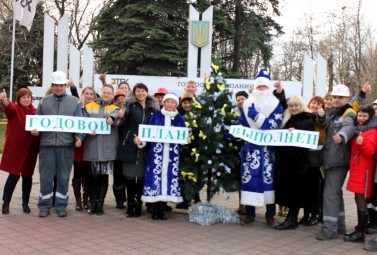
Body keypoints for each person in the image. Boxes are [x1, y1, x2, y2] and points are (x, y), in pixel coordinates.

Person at [31, 70, 84, 218]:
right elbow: (37, 121)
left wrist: (79, 137)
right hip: (47, 146)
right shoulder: (44, 101)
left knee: (63, 177)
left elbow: (80, 124)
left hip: (66, 146)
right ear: (52, 85)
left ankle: (61, 206)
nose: (59, 88)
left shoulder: (74, 102)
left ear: (65, 85)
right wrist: (35, 130)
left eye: (61, 85)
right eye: (56, 85)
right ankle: (44, 206)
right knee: (46, 177)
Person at [238, 68, 284, 226]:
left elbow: (272, 125)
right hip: (250, 149)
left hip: (267, 150)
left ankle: (270, 214)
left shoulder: (276, 105)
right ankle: (250, 213)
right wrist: (234, 131)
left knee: (268, 180)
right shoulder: (246, 104)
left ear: (269, 88)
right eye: (259, 87)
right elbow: (242, 123)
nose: (262, 90)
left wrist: (256, 116)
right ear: (255, 88)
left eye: (264, 87)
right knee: (250, 179)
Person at [135, 93, 186, 220]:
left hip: (171, 155)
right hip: (156, 154)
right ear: (164, 103)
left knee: (168, 179)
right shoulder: (156, 115)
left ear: (176, 104)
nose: (169, 104)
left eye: (172, 102)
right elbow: (149, 132)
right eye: (167, 102)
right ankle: (155, 209)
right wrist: (141, 141)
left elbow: (182, 135)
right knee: (155, 179)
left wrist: (186, 139)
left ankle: (163, 209)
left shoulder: (180, 119)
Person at [315, 84, 356, 240]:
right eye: (335, 97)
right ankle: (339, 226)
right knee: (335, 193)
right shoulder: (333, 113)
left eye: (340, 97)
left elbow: (349, 127)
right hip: (331, 159)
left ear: (347, 98)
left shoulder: (348, 112)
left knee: (330, 194)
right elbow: (323, 123)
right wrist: (320, 116)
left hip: (337, 160)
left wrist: (343, 136)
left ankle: (329, 229)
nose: (337, 100)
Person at [274, 96, 320, 230]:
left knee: (295, 192)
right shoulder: (289, 120)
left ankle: (291, 219)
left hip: (298, 164)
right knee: (289, 191)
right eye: (291, 106)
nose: (294, 108)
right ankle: (291, 218)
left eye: (296, 106)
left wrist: (297, 132)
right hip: (288, 163)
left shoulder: (307, 119)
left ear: (301, 106)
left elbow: (308, 138)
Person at [117, 83, 160, 217]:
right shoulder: (129, 105)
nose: (140, 93)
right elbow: (123, 115)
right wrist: (121, 114)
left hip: (145, 147)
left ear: (147, 92)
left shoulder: (153, 108)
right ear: (134, 93)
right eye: (138, 91)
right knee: (130, 178)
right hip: (130, 145)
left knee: (141, 178)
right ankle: (130, 206)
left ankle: (139, 206)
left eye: (143, 91)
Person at [0, 88, 39, 214]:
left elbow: (41, 128)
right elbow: (8, 108)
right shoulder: (15, 109)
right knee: (13, 176)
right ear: (19, 99)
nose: (26, 99)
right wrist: (5, 101)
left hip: (30, 149)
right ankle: (6, 204)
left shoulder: (36, 112)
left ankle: (25, 203)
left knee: (28, 177)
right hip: (16, 149)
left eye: (28, 97)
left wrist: (37, 132)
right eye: (24, 97)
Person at [84, 85, 120, 215]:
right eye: (104, 92)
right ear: (100, 93)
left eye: (109, 93)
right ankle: (92, 203)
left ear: (112, 94)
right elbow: (82, 122)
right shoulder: (90, 106)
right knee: (93, 176)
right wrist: (88, 132)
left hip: (107, 148)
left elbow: (119, 119)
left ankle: (100, 204)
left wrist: (113, 119)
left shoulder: (115, 108)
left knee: (103, 176)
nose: (106, 94)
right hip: (92, 147)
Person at [343, 106, 377, 242]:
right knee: (358, 198)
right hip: (358, 168)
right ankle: (360, 228)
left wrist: (362, 144)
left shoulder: (372, 131)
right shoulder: (359, 129)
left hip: (365, 170)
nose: (361, 118)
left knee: (361, 198)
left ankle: (360, 233)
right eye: (360, 116)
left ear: (370, 117)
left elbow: (369, 151)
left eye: (364, 116)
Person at [72, 87, 97, 211]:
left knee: (88, 173)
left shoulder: (95, 108)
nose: (88, 96)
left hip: (90, 144)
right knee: (77, 172)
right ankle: (78, 201)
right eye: (86, 93)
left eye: (91, 94)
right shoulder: (76, 106)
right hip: (78, 144)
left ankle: (85, 199)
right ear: (82, 95)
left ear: (94, 96)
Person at [112, 89, 127, 209]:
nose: (121, 101)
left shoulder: (130, 111)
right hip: (115, 147)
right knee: (118, 176)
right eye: (118, 99)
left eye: (123, 98)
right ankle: (119, 199)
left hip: (127, 147)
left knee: (128, 175)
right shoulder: (112, 111)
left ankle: (128, 197)